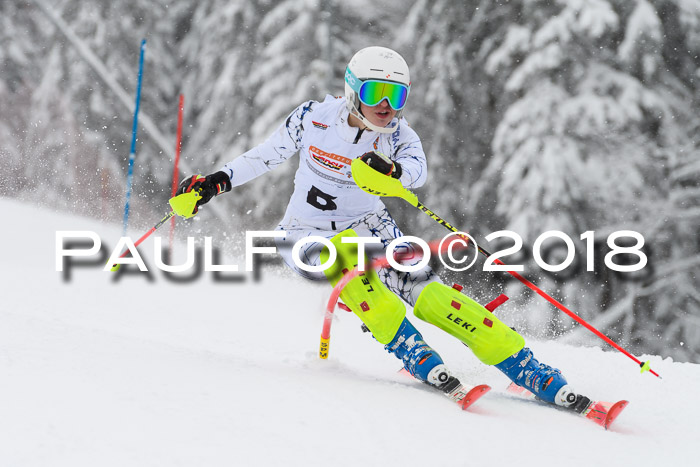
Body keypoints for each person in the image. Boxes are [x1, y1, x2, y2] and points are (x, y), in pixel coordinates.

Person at [178, 46, 591, 412]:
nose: (387, 106)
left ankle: (526, 366)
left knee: (432, 297)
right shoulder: (313, 117)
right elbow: (266, 155)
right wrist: (218, 180)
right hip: (305, 234)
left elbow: (416, 173)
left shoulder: (399, 137)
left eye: (397, 95)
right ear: (353, 90)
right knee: (358, 278)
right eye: (377, 93)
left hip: (371, 228)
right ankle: (414, 351)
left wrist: (392, 171)